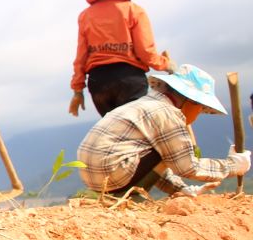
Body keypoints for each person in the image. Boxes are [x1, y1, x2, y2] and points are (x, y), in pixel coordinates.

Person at [77, 64, 250, 197]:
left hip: (96, 177)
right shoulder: (167, 114)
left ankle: (127, 197)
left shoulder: (144, 105)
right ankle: (130, 198)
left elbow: (154, 165)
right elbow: (188, 167)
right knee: (171, 148)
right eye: (201, 109)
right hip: (113, 174)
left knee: (165, 148)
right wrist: (234, 165)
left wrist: (182, 189)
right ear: (191, 102)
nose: (198, 115)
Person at [69, 0, 173, 118]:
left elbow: (81, 57)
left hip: (98, 83)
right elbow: (145, 52)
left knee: (115, 134)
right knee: (136, 134)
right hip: (129, 78)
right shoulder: (134, 10)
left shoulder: (85, 16)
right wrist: (167, 65)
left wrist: (78, 90)